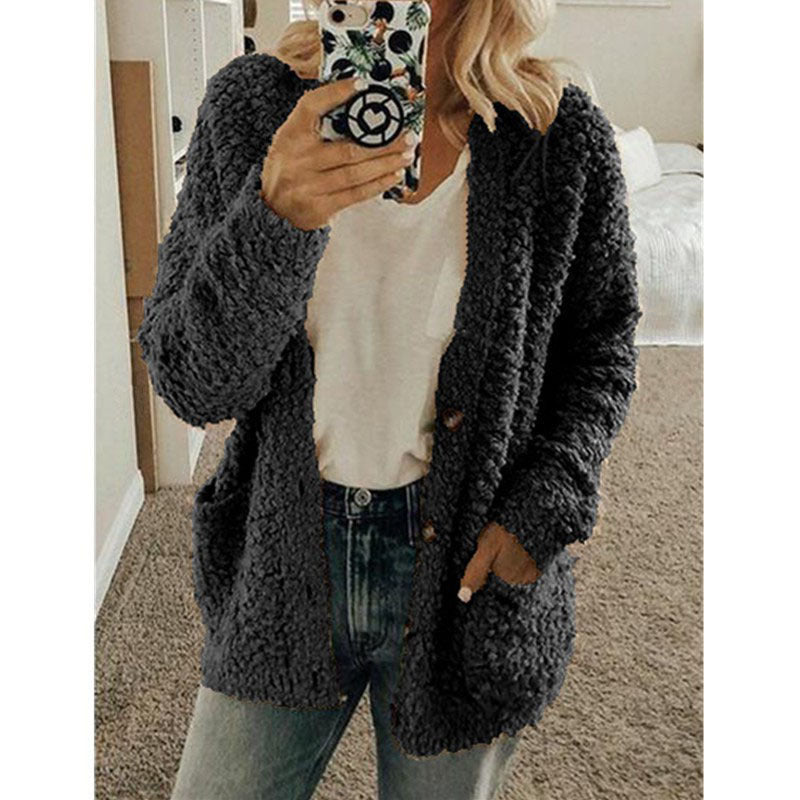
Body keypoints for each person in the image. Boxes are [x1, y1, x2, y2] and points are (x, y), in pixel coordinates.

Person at [136, 1, 642, 798]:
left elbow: (602, 350)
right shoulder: (252, 109)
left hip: (466, 578)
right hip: (284, 561)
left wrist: (543, 510)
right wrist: (276, 214)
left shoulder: (556, 135)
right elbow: (192, 381)